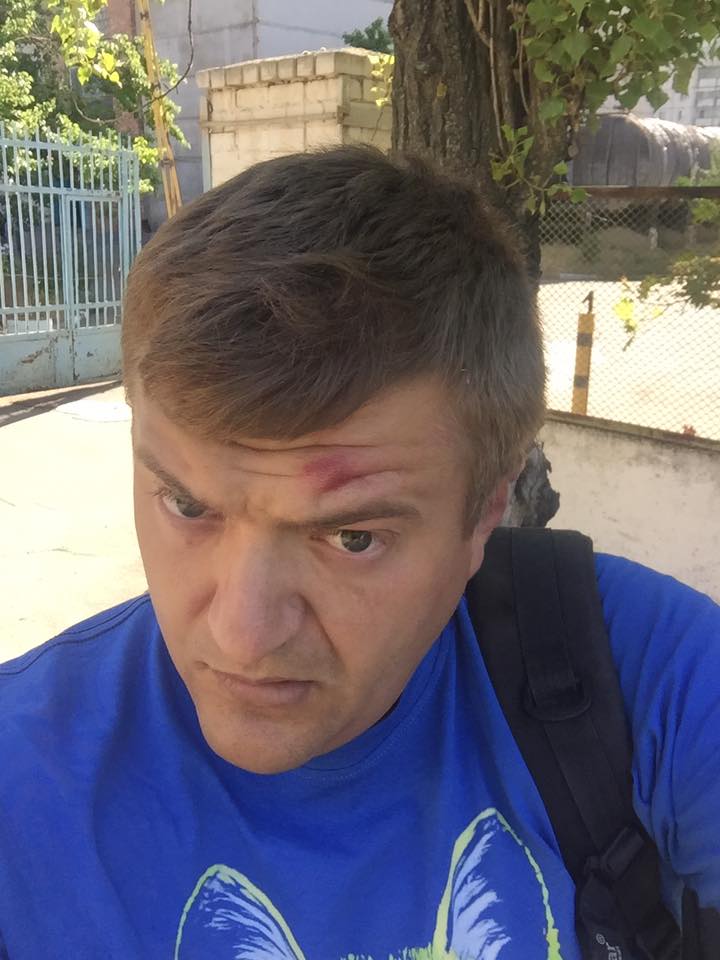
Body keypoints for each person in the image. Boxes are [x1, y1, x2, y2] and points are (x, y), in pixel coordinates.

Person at [0, 146, 718, 960]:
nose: (242, 634)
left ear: (487, 508)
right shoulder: (22, 774)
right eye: (188, 505)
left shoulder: (645, 678)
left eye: (352, 537)